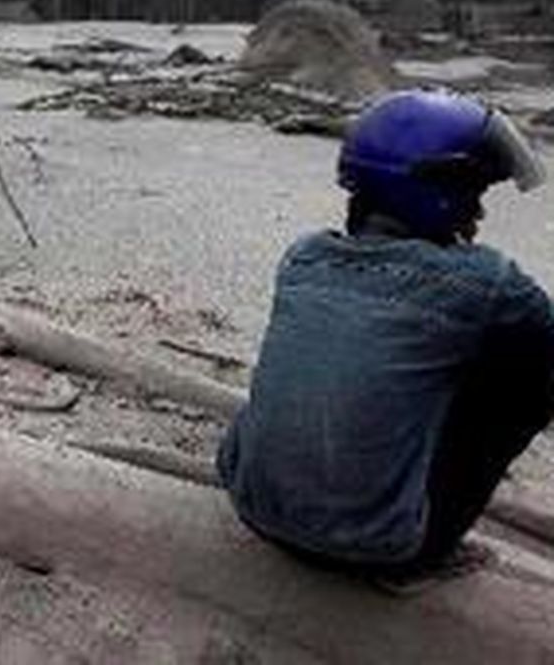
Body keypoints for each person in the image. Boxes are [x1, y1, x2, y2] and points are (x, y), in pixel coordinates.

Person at [217, 90, 554, 584]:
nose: (477, 215)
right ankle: (428, 550)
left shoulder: (304, 256)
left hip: (250, 504)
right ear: (435, 191)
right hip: (377, 548)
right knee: (534, 378)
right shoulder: (484, 282)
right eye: (471, 195)